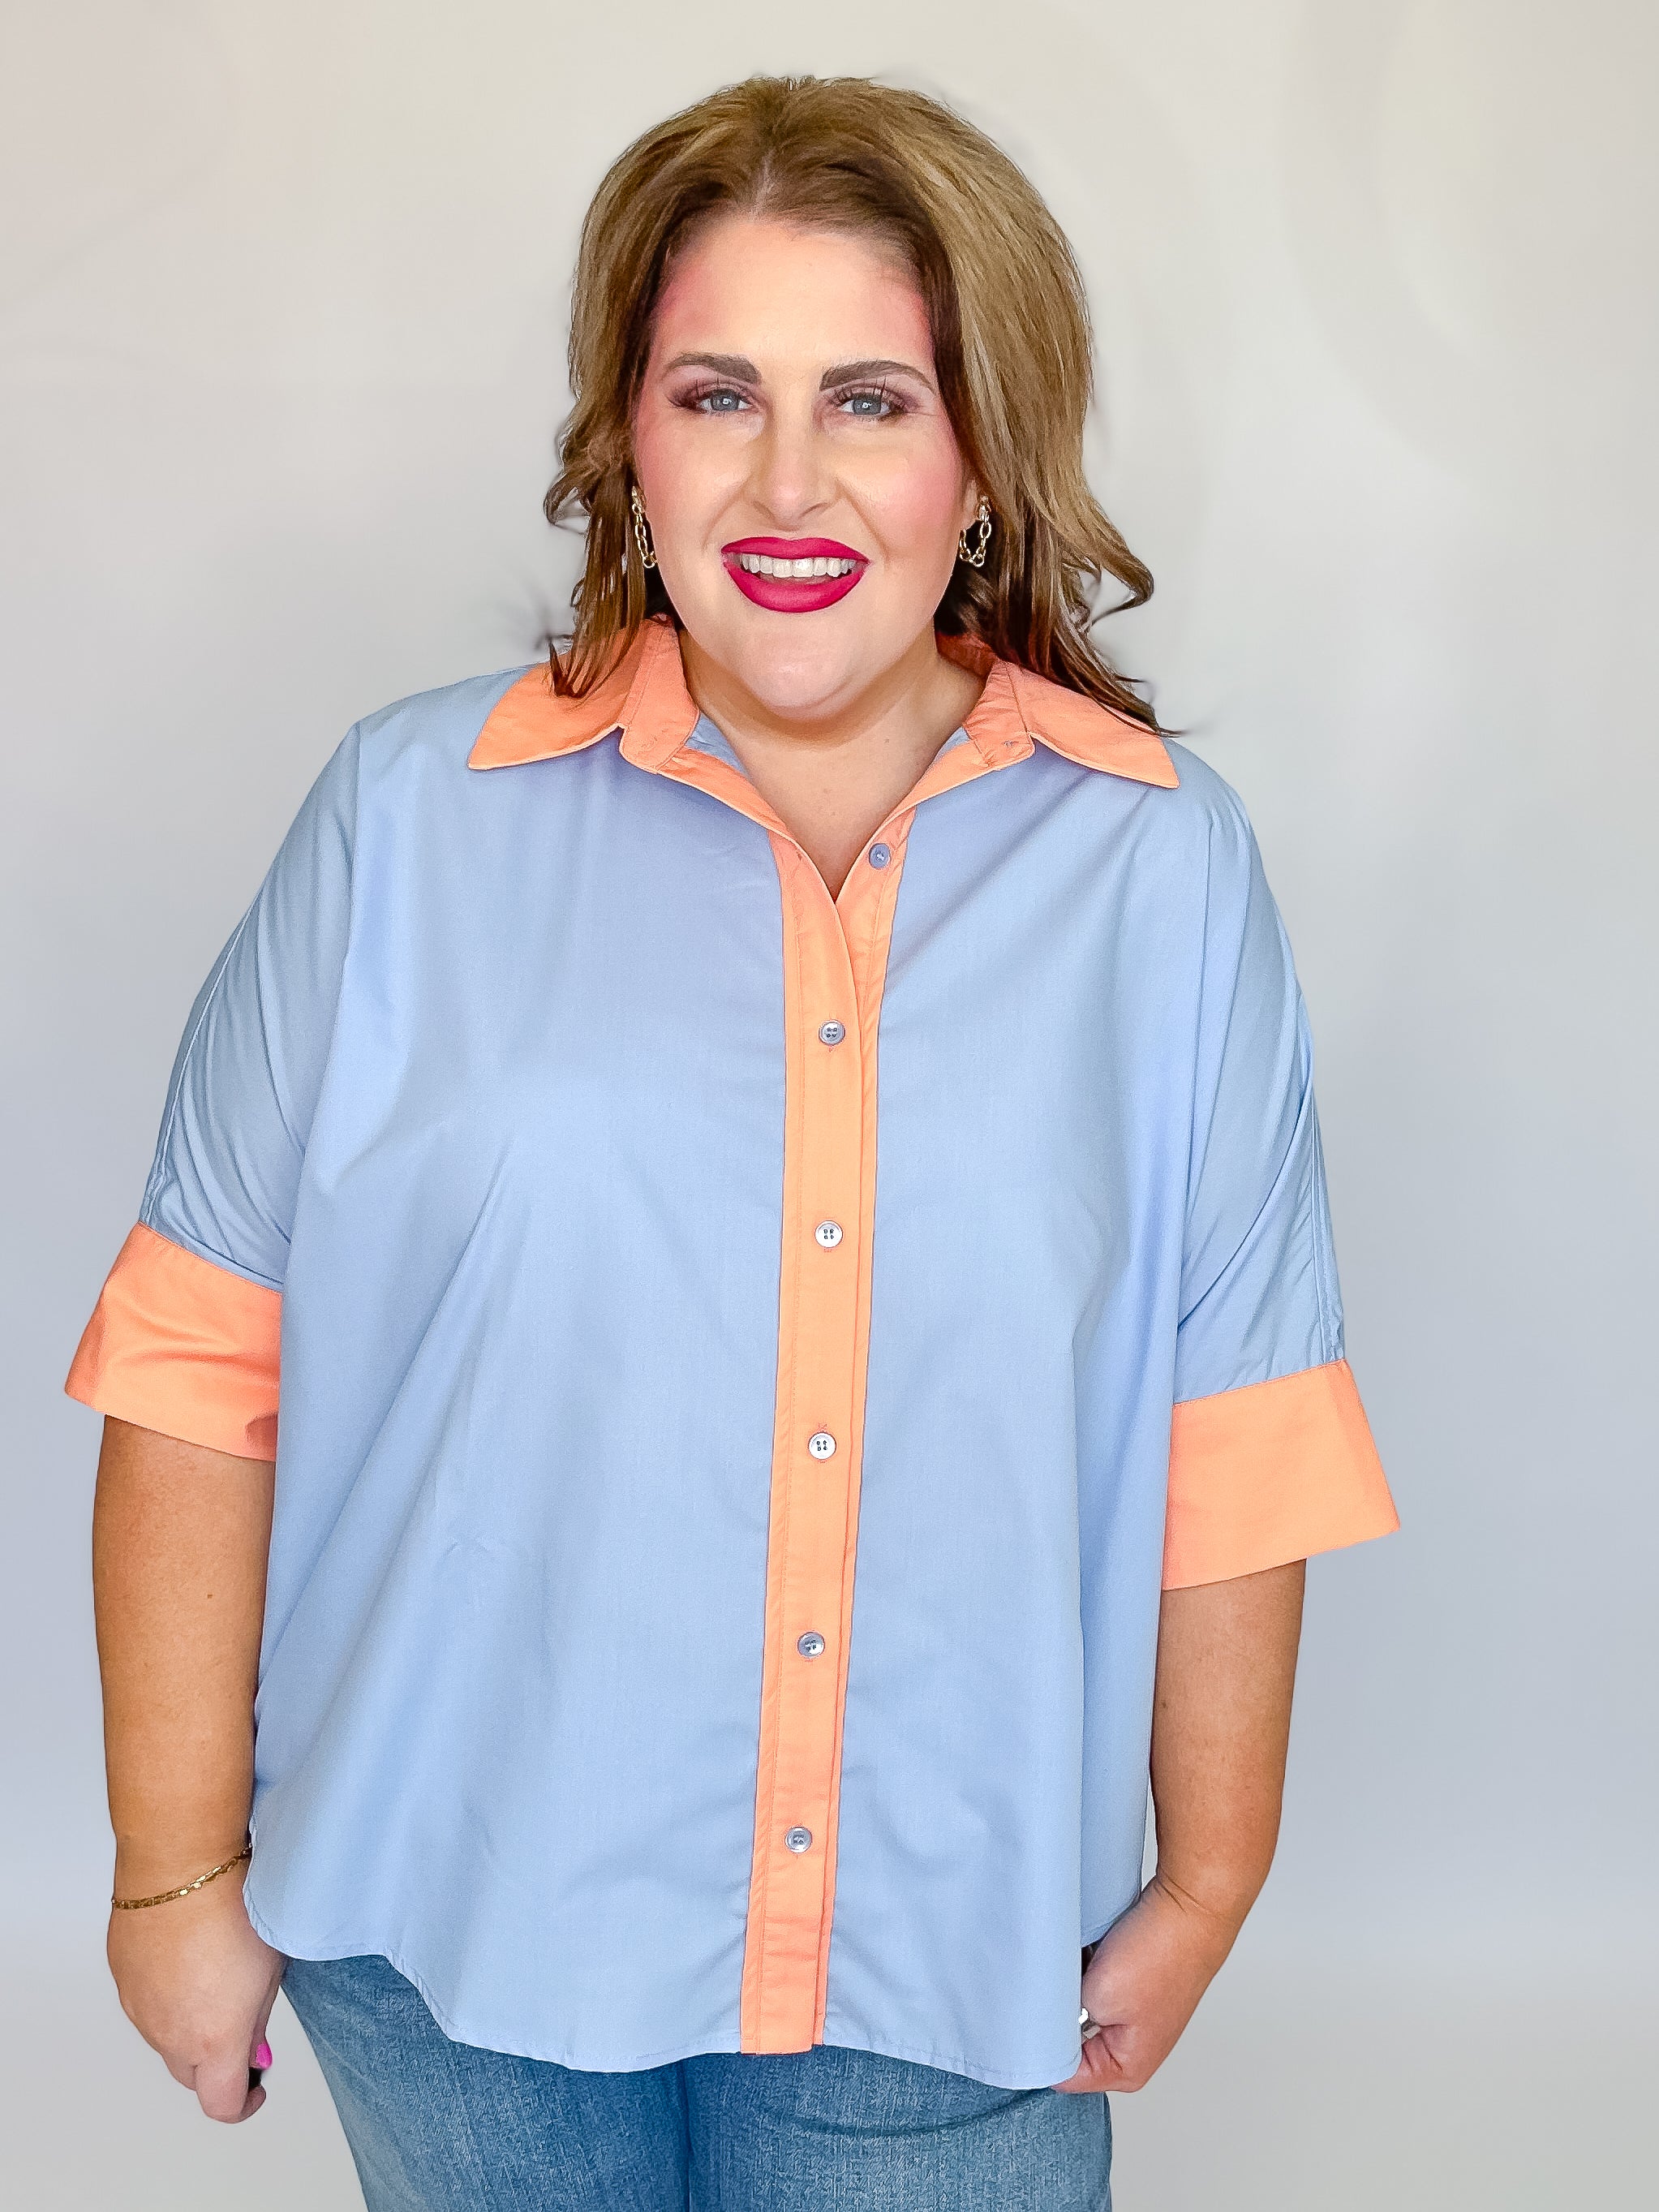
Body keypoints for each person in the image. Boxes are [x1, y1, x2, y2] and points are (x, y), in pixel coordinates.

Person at [68, 73, 1399, 2212]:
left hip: (955, 1947)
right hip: (451, 1927)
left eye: (871, 399)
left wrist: (1209, 1875)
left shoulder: (1162, 876)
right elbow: (197, 1369)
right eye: (719, 395)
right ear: (630, 441)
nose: (789, 479)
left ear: (984, 455)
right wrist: (169, 1875)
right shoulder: (406, 822)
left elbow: (1237, 1427)